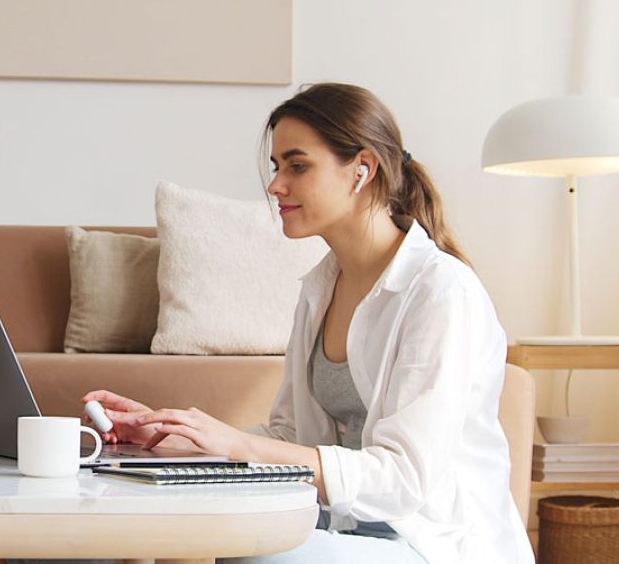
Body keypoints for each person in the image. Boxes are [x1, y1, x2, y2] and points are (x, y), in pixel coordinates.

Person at [84, 82, 532, 563]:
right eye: (277, 167)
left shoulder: (441, 292)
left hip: (427, 542)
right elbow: (289, 439)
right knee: (96, 535)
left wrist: (235, 444)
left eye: (297, 166)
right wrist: (170, 438)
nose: (276, 185)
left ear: (362, 169)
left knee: (244, 556)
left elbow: (405, 481)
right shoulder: (320, 288)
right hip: (337, 526)